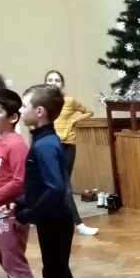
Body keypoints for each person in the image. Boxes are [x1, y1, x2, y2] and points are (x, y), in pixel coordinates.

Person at [1, 85, 79, 278]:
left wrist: (27, 215)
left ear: (40, 111)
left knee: (54, 274)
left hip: (54, 220)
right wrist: (19, 203)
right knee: (59, 271)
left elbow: (55, 188)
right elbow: (38, 186)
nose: (20, 110)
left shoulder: (45, 144)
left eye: (24, 106)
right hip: (54, 218)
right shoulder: (44, 139)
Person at [0, 89, 42, 278]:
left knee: (13, 259)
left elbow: (20, 182)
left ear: (12, 117)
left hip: (10, 211)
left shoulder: (16, 144)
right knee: (5, 258)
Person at [44, 70, 97, 236]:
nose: (53, 83)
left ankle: (75, 223)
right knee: (56, 186)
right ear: (45, 83)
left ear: (62, 84)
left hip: (67, 146)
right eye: (50, 80)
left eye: (57, 80)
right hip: (48, 148)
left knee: (64, 185)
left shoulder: (69, 101)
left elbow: (89, 111)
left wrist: (74, 120)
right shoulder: (41, 102)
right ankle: (72, 223)